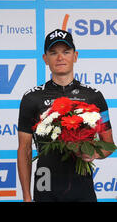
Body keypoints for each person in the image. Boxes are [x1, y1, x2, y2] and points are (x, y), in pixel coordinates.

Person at [17, 29, 115, 202]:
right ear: (45, 59)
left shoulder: (94, 96)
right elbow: (24, 150)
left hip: (81, 185)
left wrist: (93, 154)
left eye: (66, 52)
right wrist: (26, 196)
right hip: (45, 185)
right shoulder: (31, 98)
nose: (60, 57)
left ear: (75, 56)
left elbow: (109, 145)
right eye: (53, 53)